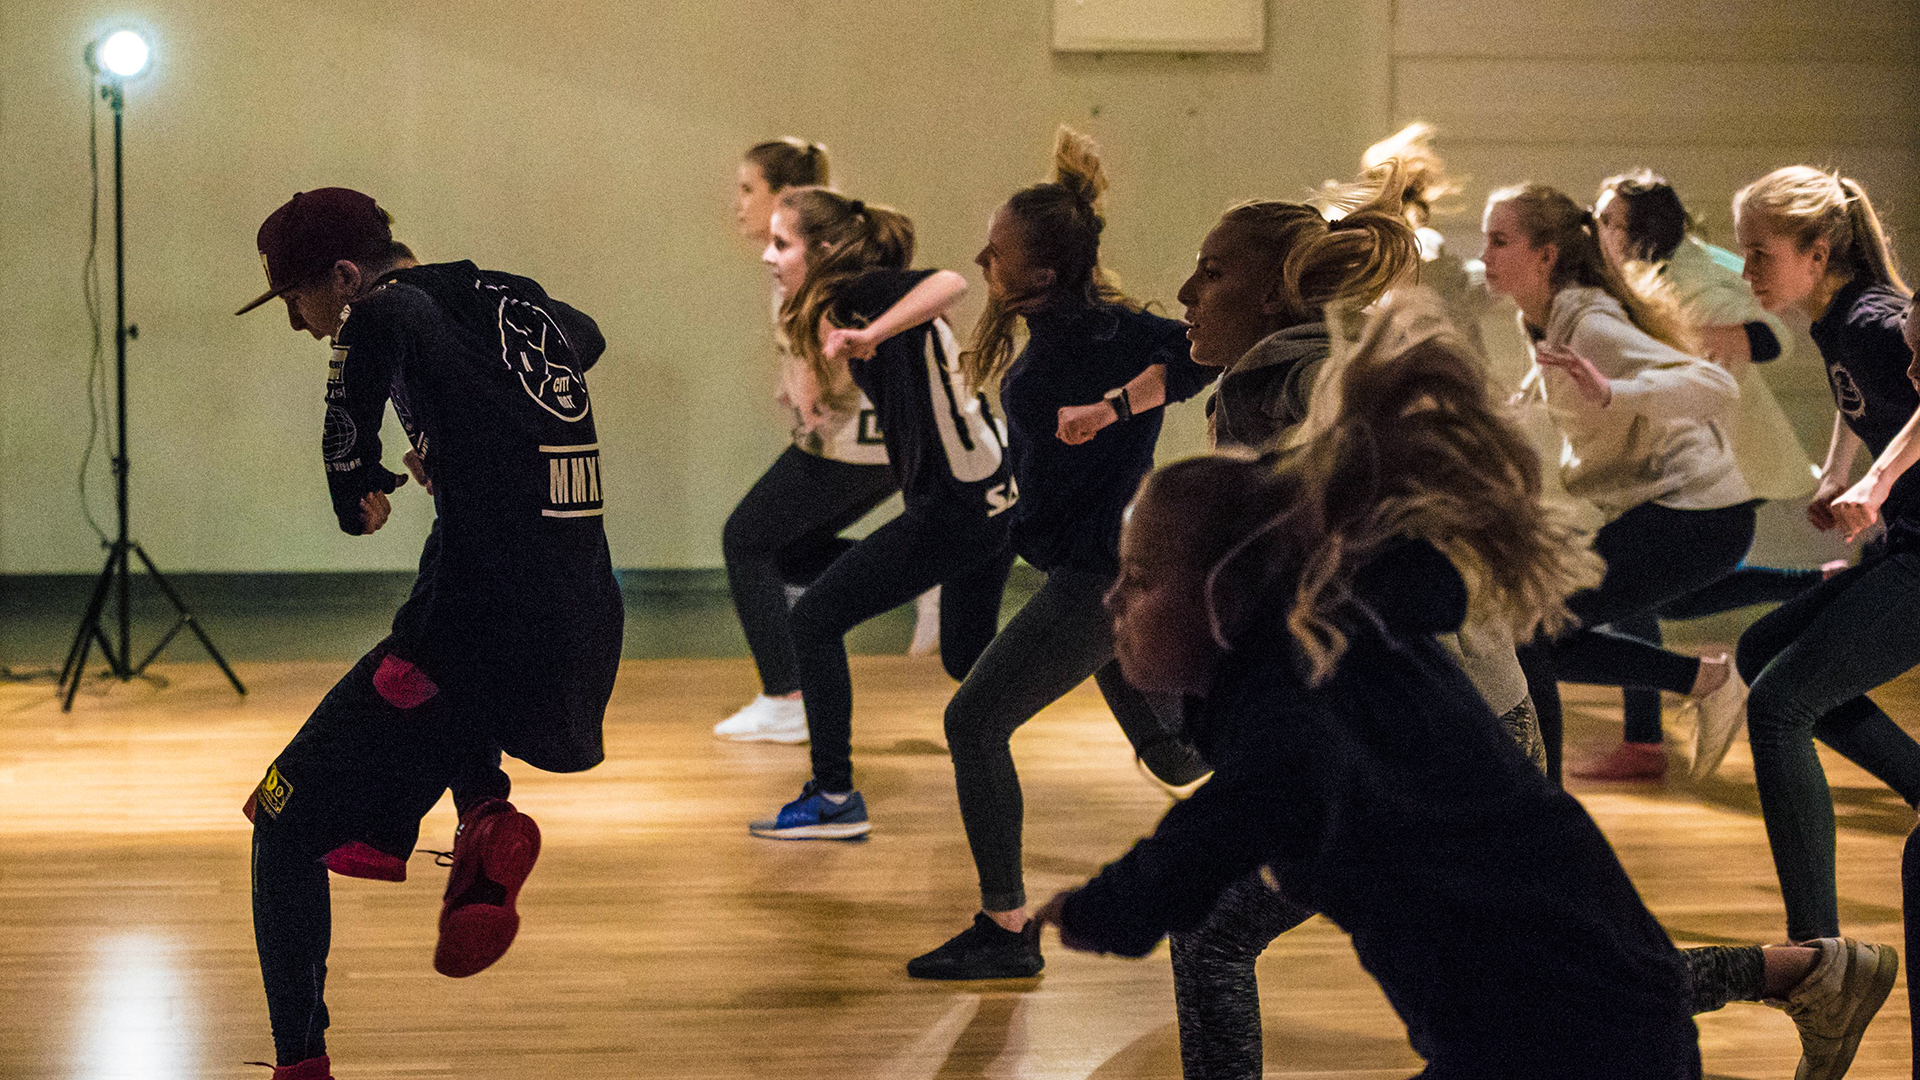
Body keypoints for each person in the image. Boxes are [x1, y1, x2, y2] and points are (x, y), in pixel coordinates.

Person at [1033, 303, 1897, 1079]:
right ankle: (1800, 971)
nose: (1114, 600)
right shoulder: (1348, 632)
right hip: (1582, 1018)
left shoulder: (1301, 707)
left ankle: (1803, 971)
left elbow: (1230, 818)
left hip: (1563, 1047)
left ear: (1224, 595)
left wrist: (1108, 906)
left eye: (1141, 579)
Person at [234, 188, 624, 1079]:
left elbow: (360, 371)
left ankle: (301, 1066)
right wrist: (480, 433)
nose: (302, 325)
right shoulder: (508, 298)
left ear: (343, 276)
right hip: (575, 614)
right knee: (440, 655)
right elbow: (586, 334)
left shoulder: (385, 310)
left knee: (281, 822)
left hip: (466, 636)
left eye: (300, 301)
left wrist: (356, 480)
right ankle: (482, 815)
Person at [905, 128, 1213, 981]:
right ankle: (1287, 733)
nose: (982, 260)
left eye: (995, 254)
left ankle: (1007, 930)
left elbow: (1204, 357)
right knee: (1178, 757)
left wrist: (1110, 411)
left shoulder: (1080, 356)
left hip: (1099, 585)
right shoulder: (1116, 333)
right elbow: (1190, 359)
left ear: (1039, 276)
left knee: (972, 723)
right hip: (1115, 574)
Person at [747, 187, 1015, 840]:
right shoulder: (838, 303)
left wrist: (868, 330)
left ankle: (834, 797)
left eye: (782, 243)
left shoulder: (862, 295)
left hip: (959, 506)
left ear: (827, 249)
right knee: (964, 656)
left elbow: (951, 281)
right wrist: (809, 395)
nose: (766, 254)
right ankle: (1086, 629)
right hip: (990, 497)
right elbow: (820, 359)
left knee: (812, 619)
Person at [1484, 183, 1753, 784]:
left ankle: (1541, 802)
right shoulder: (1551, 323)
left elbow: (1716, 385)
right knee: (1529, 629)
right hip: (1680, 513)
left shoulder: (1590, 326)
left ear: (1546, 255)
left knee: (1531, 630)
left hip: (1699, 518)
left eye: (1500, 241)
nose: (1485, 256)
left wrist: (1614, 391)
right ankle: (1704, 680)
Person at [1731, 166, 1920, 947]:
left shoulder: (1875, 317)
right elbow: (1863, 398)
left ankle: (1819, 953)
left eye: (1758, 254)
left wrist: (1876, 479)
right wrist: (1838, 470)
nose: (1746, 272)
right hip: (1904, 539)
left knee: (1779, 705)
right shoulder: (1835, 317)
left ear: (1817, 251)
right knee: (1759, 648)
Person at [1586, 170, 1825, 778]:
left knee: (1629, 595)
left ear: (1642, 232)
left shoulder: (1694, 280)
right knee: (1666, 597)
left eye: (1609, 220)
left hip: (1710, 465)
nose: (1599, 229)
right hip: (1681, 465)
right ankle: (1812, 587)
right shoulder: (1661, 269)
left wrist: (1668, 342)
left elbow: (1770, 340)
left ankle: (1645, 741)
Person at [714, 140, 932, 745]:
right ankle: (924, 572)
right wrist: (797, 380)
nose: (737, 203)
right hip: (876, 448)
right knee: (783, 551)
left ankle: (785, 697)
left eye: (746, 188)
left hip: (857, 445)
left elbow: (834, 325)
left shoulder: (809, 268)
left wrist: (812, 371)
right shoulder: (801, 263)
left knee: (745, 540)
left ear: (784, 200)